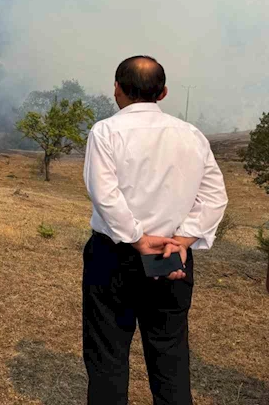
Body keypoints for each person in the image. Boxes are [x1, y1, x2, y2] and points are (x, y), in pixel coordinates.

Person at [83, 56, 228, 405]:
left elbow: (105, 194)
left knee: (108, 355)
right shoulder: (191, 135)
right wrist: (183, 239)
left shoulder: (106, 132)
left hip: (114, 255)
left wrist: (137, 238)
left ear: (116, 89)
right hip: (172, 256)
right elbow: (215, 197)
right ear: (163, 93)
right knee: (170, 354)